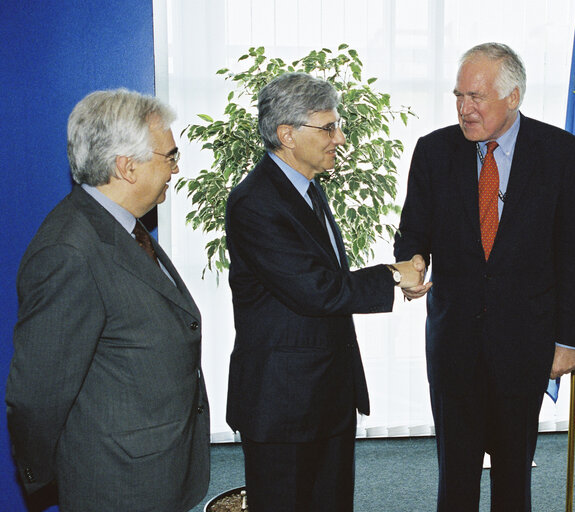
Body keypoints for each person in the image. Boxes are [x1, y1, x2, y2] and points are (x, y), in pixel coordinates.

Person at [394, 42, 575, 511]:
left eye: (476, 97)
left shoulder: (560, 153)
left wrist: (569, 340)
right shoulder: (433, 150)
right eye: (459, 96)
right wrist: (411, 263)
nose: (465, 109)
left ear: (513, 97)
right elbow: (412, 231)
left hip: (525, 344)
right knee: (455, 478)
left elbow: (574, 252)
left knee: (513, 478)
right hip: (454, 342)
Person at [224, 72, 427, 512]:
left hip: (325, 396)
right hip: (283, 406)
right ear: (287, 135)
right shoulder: (255, 202)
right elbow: (315, 290)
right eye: (329, 127)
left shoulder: (307, 189)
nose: (341, 136)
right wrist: (395, 275)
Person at [6, 89, 210, 511]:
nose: (175, 170)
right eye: (170, 156)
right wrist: (53, 474)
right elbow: (36, 394)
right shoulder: (68, 250)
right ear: (127, 166)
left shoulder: (124, 229)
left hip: (155, 472)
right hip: (116, 485)